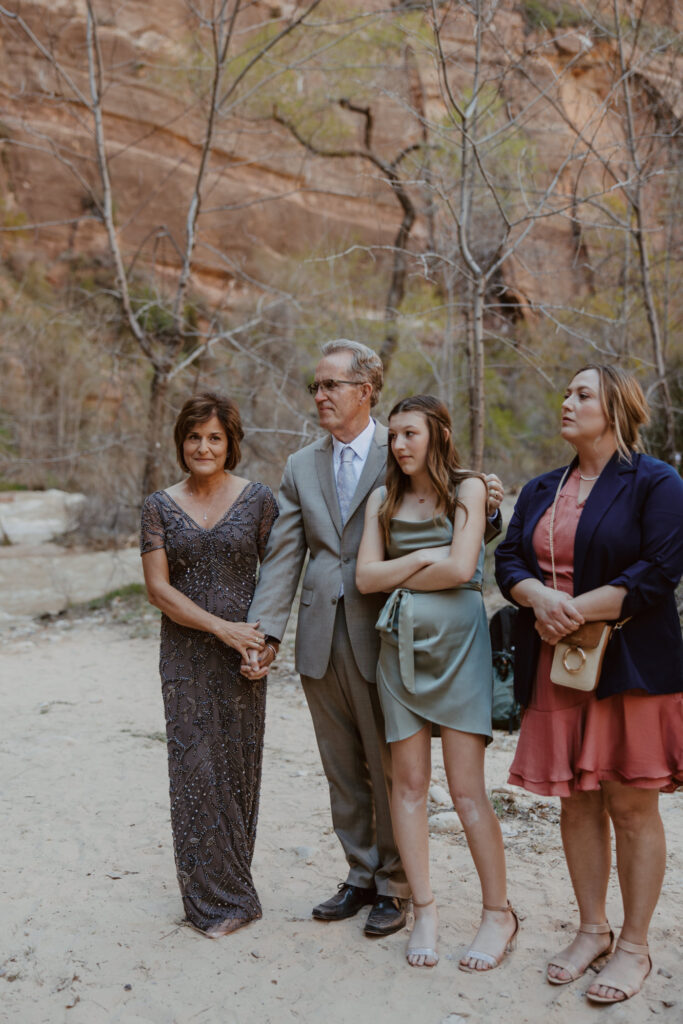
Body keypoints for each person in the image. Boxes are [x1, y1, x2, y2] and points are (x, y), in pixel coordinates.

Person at [242, 340, 505, 938]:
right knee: (341, 767)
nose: (320, 396)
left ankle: (396, 884)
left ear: (366, 390)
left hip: (384, 632)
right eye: (316, 386)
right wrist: (267, 631)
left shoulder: (405, 444)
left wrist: (489, 510)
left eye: (331, 385)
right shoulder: (299, 465)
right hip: (317, 633)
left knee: (391, 768)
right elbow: (285, 556)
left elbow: (454, 506)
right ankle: (359, 874)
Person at [495, 365, 683, 1005]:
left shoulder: (656, 481)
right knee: (576, 800)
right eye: (566, 391)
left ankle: (633, 946)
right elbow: (508, 558)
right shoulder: (545, 486)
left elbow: (661, 568)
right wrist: (539, 598)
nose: (565, 401)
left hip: (630, 665)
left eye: (581, 394)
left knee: (631, 805)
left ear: (616, 408)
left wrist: (575, 609)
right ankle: (593, 930)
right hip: (558, 664)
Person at [355, 394, 517, 971]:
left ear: (438, 435)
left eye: (410, 434)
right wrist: (429, 558)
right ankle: (423, 908)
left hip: (462, 652)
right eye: (393, 435)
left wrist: (405, 569)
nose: (399, 445)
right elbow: (366, 577)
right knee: (408, 785)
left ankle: (499, 913)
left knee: (469, 791)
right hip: (399, 654)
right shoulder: (382, 498)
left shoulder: (470, 488)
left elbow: (461, 568)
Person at [140, 392, 278, 938]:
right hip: (185, 655)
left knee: (238, 769)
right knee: (193, 770)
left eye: (215, 438)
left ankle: (237, 891)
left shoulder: (259, 500)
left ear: (231, 444)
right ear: (181, 442)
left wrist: (264, 647)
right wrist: (222, 629)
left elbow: (277, 577)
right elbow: (157, 589)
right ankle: (210, 903)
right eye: (194, 437)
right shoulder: (159, 505)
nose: (204, 446)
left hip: (245, 657)